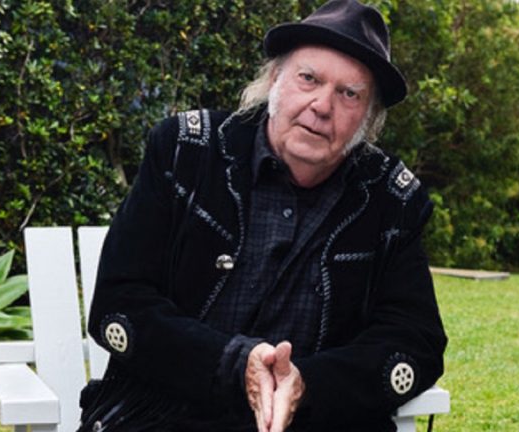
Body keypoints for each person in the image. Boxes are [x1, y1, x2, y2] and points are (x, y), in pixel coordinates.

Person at [78, 1, 447, 431]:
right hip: (160, 416)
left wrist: (309, 383)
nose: (322, 105)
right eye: (309, 78)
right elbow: (120, 301)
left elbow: (414, 339)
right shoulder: (185, 153)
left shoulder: (391, 200)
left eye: (349, 94)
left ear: (368, 119)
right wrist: (235, 364)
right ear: (274, 79)